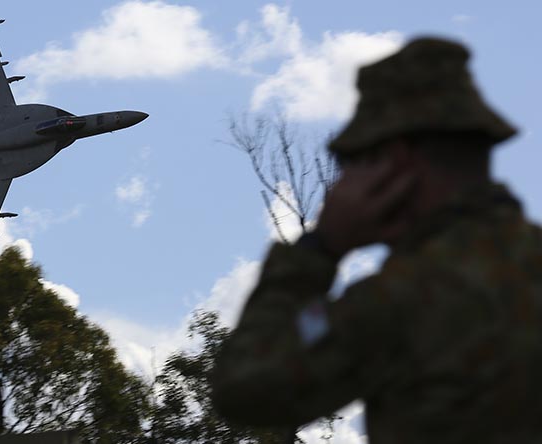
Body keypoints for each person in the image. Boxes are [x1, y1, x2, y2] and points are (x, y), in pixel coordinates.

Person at [211, 37, 541, 443]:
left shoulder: (400, 299)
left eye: (357, 162)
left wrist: (322, 248)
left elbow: (245, 388)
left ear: (396, 161)